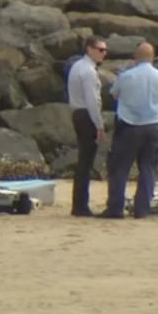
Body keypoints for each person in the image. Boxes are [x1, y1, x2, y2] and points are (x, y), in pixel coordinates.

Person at [102, 43, 158, 219]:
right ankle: (142, 209)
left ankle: (116, 208)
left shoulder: (126, 76)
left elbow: (114, 93)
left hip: (130, 125)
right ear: (153, 57)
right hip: (154, 125)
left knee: (120, 168)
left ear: (136, 57)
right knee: (148, 168)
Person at [67, 35, 107, 217]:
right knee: (86, 161)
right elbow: (92, 101)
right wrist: (99, 125)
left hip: (78, 113)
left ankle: (79, 204)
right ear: (90, 49)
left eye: (105, 50)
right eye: (100, 50)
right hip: (86, 115)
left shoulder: (77, 66)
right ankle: (80, 206)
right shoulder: (88, 71)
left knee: (84, 161)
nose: (103, 54)